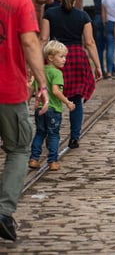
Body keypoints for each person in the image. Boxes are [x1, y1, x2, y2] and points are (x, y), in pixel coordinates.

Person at [0, 0, 49, 242]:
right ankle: (3, 211)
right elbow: (31, 44)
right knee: (18, 149)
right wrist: (42, 84)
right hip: (9, 89)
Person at [41, 0, 103, 150]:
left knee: (52, 97)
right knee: (76, 99)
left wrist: (38, 62)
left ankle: (50, 133)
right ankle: (74, 137)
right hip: (75, 57)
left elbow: (44, 39)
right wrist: (98, 66)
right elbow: (89, 42)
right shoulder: (83, 16)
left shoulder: (49, 13)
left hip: (55, 56)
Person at [29, 40, 76, 172]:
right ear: (50, 57)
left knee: (40, 133)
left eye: (65, 56)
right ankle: (53, 161)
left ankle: (34, 159)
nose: (64, 59)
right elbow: (56, 91)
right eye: (61, 56)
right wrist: (67, 102)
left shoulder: (40, 71)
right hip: (53, 109)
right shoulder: (57, 73)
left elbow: (33, 88)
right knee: (54, 135)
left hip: (40, 109)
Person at [91, 0, 113, 77]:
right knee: (110, 45)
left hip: (97, 17)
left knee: (99, 46)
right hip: (105, 17)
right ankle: (109, 70)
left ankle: (101, 69)